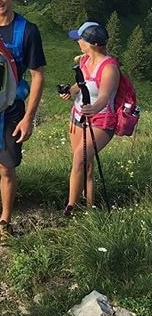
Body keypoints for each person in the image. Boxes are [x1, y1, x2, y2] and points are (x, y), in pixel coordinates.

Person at [0, 0, 46, 243]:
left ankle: (5, 219)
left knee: (6, 167)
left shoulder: (28, 31)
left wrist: (28, 118)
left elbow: (38, 74)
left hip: (11, 111)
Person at [59, 22, 119, 214]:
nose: (78, 41)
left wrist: (93, 108)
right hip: (78, 116)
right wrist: (70, 90)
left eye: (80, 38)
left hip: (101, 120)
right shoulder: (85, 61)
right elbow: (82, 84)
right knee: (87, 164)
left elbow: (104, 96)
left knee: (79, 159)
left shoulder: (109, 68)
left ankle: (70, 206)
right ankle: (89, 208)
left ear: (91, 43)